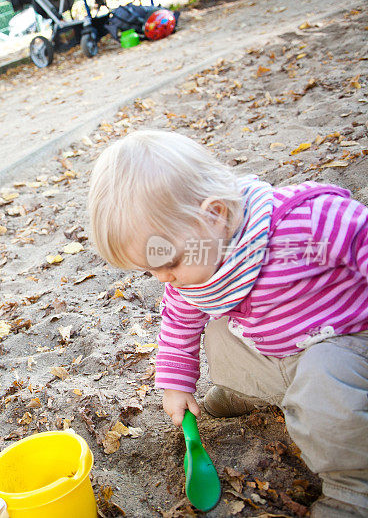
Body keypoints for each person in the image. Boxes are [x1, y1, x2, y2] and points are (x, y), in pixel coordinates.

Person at [87, 130, 368, 517]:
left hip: (348, 345)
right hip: (280, 349)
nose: (162, 278)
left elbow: (361, 236)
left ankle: (354, 485)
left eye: (167, 263)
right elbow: (178, 323)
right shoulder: (194, 263)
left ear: (215, 215)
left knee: (325, 378)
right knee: (220, 337)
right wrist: (176, 383)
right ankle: (254, 391)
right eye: (149, 269)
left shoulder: (302, 225)